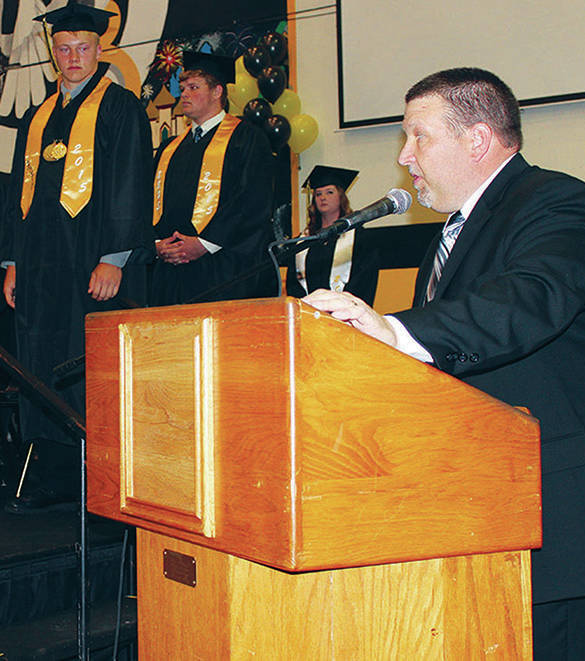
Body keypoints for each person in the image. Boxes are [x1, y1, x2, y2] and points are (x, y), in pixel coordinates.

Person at [304, 68, 585, 660]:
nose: (405, 156)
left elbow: (531, 298)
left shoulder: (557, 200)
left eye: (418, 137)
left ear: (478, 139)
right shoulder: (454, 229)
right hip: (483, 509)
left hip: (558, 519)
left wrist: (397, 329)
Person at [2, 2, 154, 513]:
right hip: (40, 267)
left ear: (99, 49)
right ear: (52, 52)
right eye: (63, 49)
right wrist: (13, 263)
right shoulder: (37, 116)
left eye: (82, 48)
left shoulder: (119, 107)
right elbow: (18, 197)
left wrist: (114, 257)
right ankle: (50, 472)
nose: (72, 58)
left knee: (82, 361)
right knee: (39, 360)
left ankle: (96, 477)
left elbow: (131, 185)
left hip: (90, 263)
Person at [149, 51, 276, 306]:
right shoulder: (168, 148)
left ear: (217, 92)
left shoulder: (247, 139)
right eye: (182, 88)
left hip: (224, 271)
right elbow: (147, 201)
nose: (183, 94)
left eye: (193, 87)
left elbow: (252, 201)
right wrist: (158, 245)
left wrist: (204, 243)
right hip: (171, 275)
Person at [286, 165, 379, 306]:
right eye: (318, 194)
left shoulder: (359, 237)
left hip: (347, 313)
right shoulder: (304, 240)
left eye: (329, 192)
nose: (323, 197)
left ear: (341, 197)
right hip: (309, 313)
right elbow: (294, 283)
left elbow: (365, 279)